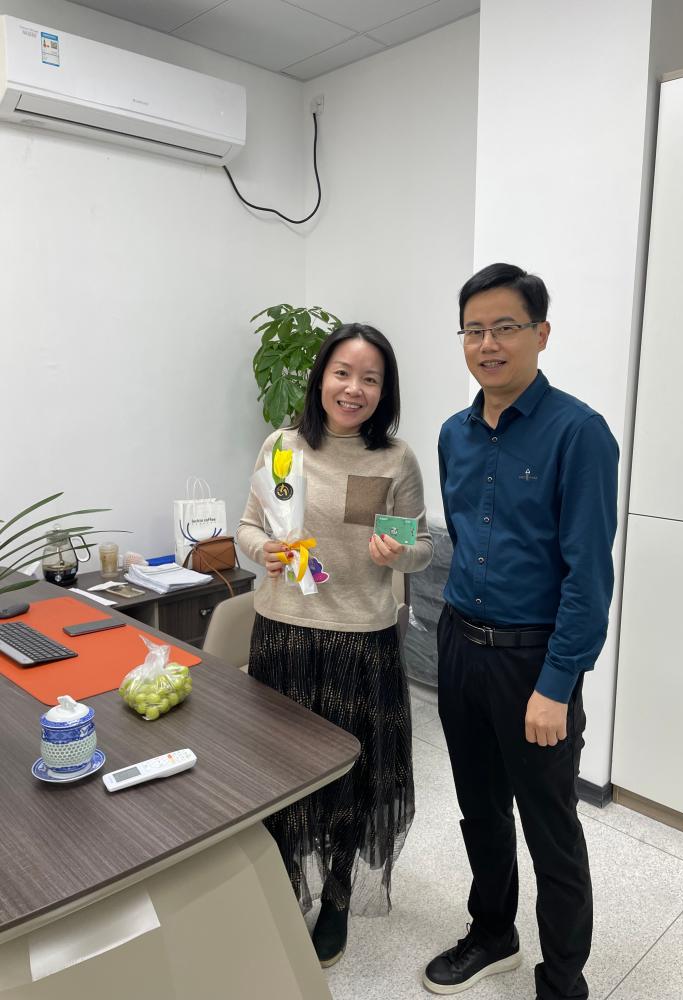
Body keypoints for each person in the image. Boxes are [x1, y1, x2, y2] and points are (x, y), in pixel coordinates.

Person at [424, 264, 618, 999]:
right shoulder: (453, 434)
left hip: (533, 660)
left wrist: (557, 685)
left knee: (550, 827)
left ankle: (563, 980)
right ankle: (493, 932)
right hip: (459, 645)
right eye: (474, 329)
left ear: (541, 333)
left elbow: (587, 577)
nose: (488, 343)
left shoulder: (579, 433)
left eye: (505, 326)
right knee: (479, 807)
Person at [237, 323, 432, 968]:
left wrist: (402, 552)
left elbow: (422, 547)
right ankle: (284, 884)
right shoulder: (282, 446)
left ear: (384, 390)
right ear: (321, 377)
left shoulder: (394, 459)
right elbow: (248, 526)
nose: (353, 389)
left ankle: (338, 898)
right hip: (284, 634)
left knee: (350, 776)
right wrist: (261, 550)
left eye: (370, 379)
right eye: (342, 373)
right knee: (281, 773)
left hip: (360, 642)